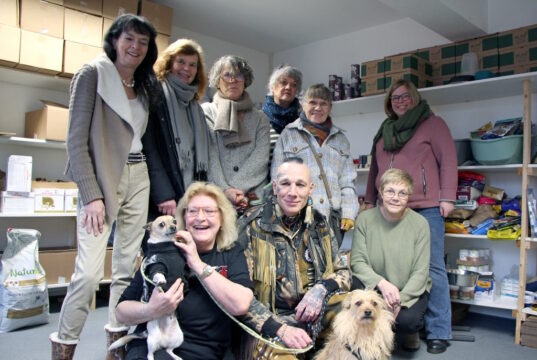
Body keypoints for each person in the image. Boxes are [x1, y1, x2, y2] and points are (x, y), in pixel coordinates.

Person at [49, 14, 159, 360]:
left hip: (138, 177)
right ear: (115, 40)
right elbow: (75, 142)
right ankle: (65, 346)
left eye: (143, 42)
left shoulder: (142, 85)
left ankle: (115, 349)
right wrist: (91, 195)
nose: (136, 47)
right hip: (103, 180)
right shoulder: (92, 74)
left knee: (127, 268)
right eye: (129, 39)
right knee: (89, 272)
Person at [364, 79, 457, 354]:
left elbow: (449, 159)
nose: (401, 101)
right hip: (387, 207)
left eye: (405, 96)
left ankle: (438, 330)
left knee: (431, 267)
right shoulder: (384, 130)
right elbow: (374, 169)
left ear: (415, 98)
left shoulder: (433, 123)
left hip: (425, 206)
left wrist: (447, 197)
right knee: (387, 266)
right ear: (389, 103)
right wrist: (370, 199)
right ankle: (398, 327)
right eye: (395, 98)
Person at [116, 182, 254, 360]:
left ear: (222, 219)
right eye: (192, 211)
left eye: (209, 211)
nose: (200, 218)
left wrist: (196, 262)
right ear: (183, 218)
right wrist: (151, 310)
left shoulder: (231, 253)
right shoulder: (163, 251)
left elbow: (241, 304)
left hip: (207, 350)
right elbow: (121, 312)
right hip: (155, 348)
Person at [238, 157, 352, 359]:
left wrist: (321, 289)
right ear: (275, 187)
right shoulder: (251, 227)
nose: (293, 192)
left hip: (315, 316)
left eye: (300, 185)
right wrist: (279, 328)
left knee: (357, 315)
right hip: (268, 325)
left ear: (310, 189)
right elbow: (238, 297)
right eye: (285, 184)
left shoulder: (320, 223)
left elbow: (343, 272)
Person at [351, 168, 431, 352]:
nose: (396, 197)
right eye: (390, 191)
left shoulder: (420, 224)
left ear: (409, 196)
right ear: (381, 191)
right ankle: (367, 336)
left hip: (409, 290)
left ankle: (411, 332)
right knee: (354, 286)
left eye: (402, 193)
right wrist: (382, 284)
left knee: (406, 321)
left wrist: (399, 301)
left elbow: (421, 272)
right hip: (377, 288)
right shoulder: (364, 220)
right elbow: (357, 262)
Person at [271, 84, 358, 241]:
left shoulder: (341, 139)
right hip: (298, 218)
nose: (318, 108)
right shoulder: (288, 135)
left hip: (333, 221)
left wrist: (349, 213)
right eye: (312, 102)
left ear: (330, 107)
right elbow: (276, 180)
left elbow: (348, 182)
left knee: (330, 264)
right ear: (303, 104)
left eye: (323, 103)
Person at [142, 38, 210, 218]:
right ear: (169, 62)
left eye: (192, 64)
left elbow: (199, 154)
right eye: (181, 61)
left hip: (189, 194)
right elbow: (149, 148)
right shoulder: (155, 96)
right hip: (164, 198)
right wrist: (163, 193)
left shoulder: (196, 107)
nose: (186, 69)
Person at [202, 55, 271, 213]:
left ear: (245, 80)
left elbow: (261, 157)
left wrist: (236, 190)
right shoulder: (206, 111)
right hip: (218, 196)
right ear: (217, 81)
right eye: (227, 75)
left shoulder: (260, 118)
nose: (233, 80)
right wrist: (225, 191)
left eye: (238, 75)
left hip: (253, 196)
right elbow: (210, 155)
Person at [262, 64, 303, 163]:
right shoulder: (259, 118)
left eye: (294, 85)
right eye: (283, 83)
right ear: (272, 87)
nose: (288, 87)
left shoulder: (302, 120)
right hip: (267, 177)